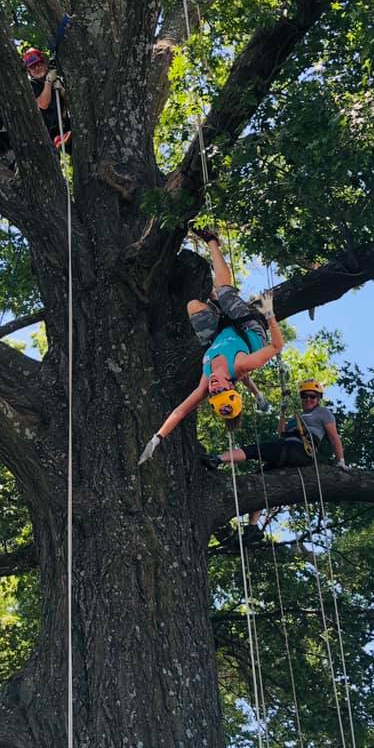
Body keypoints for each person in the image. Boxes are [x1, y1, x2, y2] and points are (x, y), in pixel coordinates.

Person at [139, 229, 283, 464]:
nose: (215, 388)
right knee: (226, 293)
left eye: (214, 394)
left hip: (217, 337)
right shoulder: (242, 364)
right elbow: (277, 346)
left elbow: (180, 411)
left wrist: (157, 438)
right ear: (230, 385)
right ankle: (213, 241)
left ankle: (214, 304)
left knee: (193, 306)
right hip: (249, 327)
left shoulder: (206, 383)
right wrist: (269, 314)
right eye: (221, 390)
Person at [205, 378, 348, 543]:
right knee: (260, 477)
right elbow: (282, 432)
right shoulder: (298, 415)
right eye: (305, 396)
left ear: (318, 398)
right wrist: (282, 413)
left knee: (255, 450)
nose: (308, 399)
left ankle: (218, 459)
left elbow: (334, 437)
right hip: (289, 448)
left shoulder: (323, 413)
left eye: (312, 396)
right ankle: (252, 527)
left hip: (300, 450)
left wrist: (341, 461)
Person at [22, 47, 69, 145]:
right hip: (44, 134)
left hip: (64, 128)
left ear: (44, 64)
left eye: (38, 64)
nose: (37, 68)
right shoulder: (31, 86)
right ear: (29, 71)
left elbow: (72, 104)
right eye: (32, 67)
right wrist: (48, 82)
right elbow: (43, 104)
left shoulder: (57, 80)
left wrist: (62, 91)